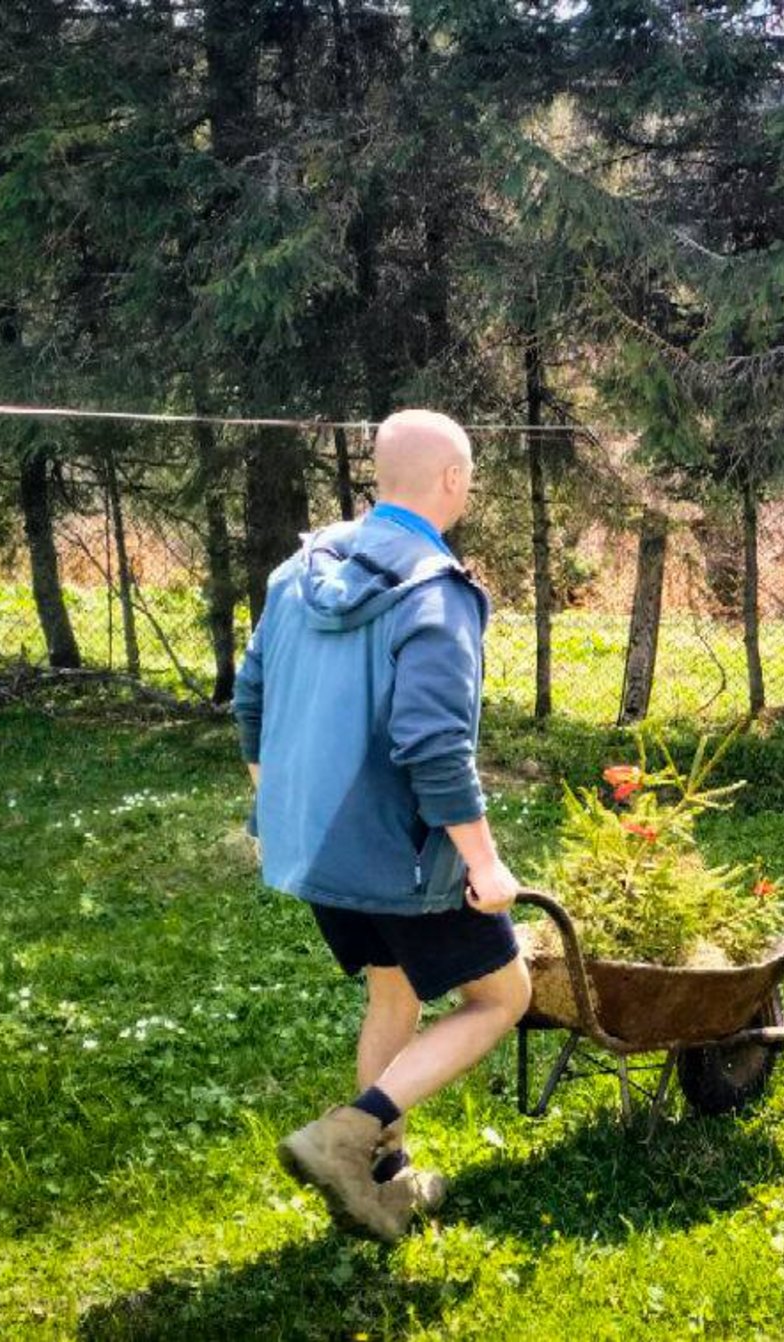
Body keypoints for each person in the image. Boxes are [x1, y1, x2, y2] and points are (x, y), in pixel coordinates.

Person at [233, 409, 530, 1242]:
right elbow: (433, 745)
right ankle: (347, 1136)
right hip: (401, 860)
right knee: (503, 996)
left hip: (316, 850)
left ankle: (378, 1182)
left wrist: (279, 805)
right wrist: (484, 863)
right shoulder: (436, 592)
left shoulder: (298, 573)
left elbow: (250, 701)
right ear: (453, 481)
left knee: (392, 992)